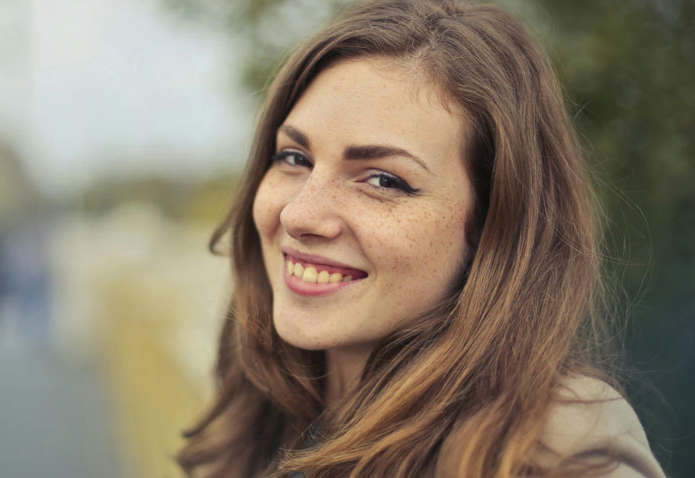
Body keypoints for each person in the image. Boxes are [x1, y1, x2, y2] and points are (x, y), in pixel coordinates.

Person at [177, 1, 666, 477]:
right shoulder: (266, 411)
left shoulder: (552, 449)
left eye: (384, 180)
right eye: (294, 158)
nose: (300, 214)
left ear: (494, 224)